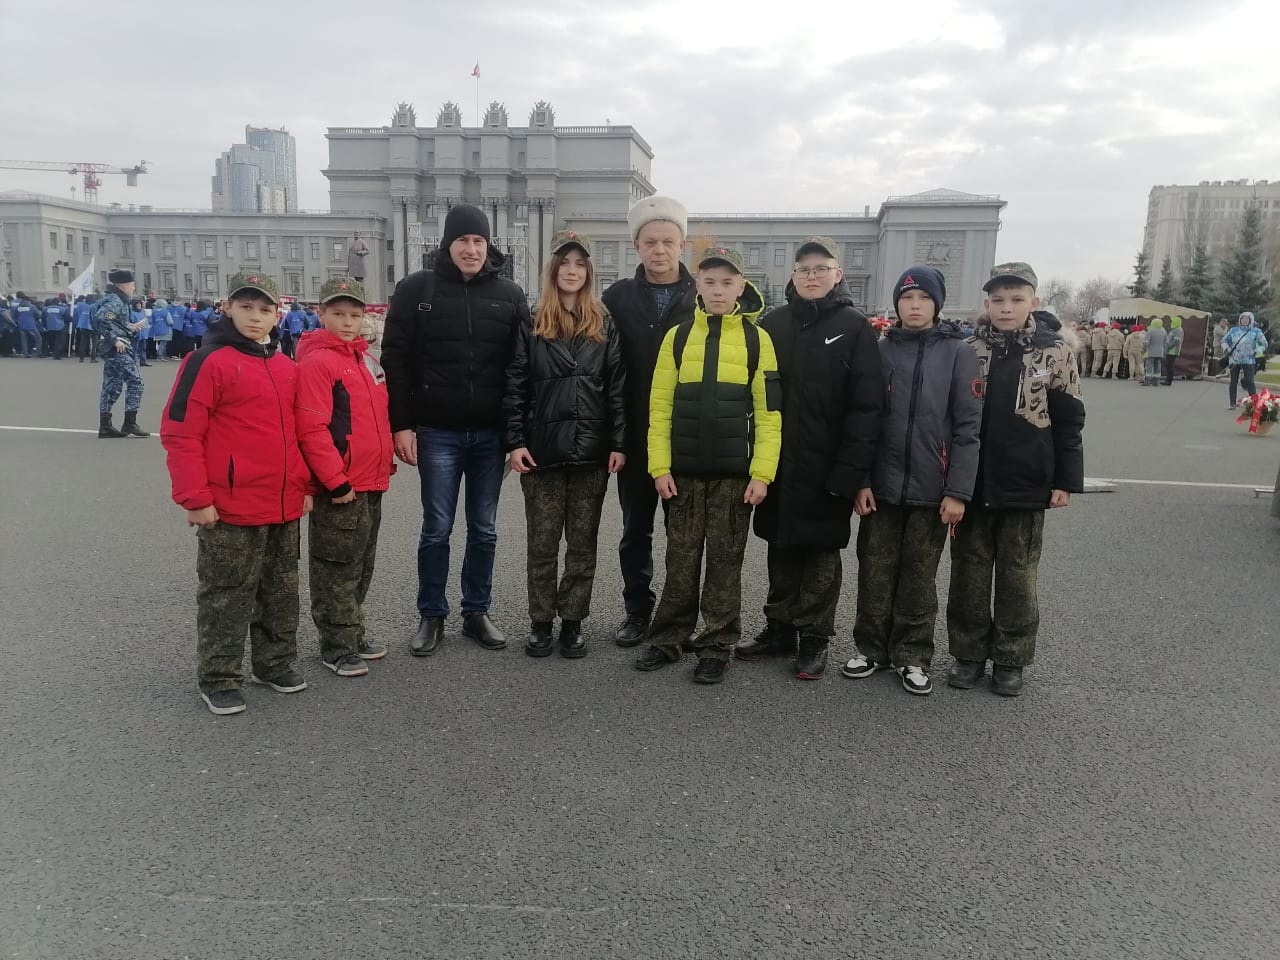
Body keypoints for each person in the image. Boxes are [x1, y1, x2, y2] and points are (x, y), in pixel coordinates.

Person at [160, 272, 313, 715]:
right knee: (226, 593)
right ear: (227, 308)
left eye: (265, 309)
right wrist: (195, 497)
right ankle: (219, 676)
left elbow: (298, 435)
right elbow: (181, 432)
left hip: (282, 501)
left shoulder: (286, 367)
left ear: (278, 315)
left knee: (281, 590)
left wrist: (304, 485)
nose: (255, 317)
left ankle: (274, 662)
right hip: (229, 504)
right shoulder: (206, 361)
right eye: (246, 307)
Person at [381, 204, 530, 657]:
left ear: (488, 246)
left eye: (478, 241)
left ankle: (476, 611)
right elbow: (396, 359)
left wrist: (515, 435)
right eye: (462, 240)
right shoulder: (416, 289)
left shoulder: (509, 294)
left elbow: (520, 368)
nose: (471, 249)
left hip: (489, 434)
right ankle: (431, 614)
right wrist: (402, 424)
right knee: (437, 527)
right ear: (448, 244)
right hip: (437, 431)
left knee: (484, 529)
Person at [633, 246, 781, 685]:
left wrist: (762, 474)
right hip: (682, 475)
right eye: (710, 281)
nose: (718, 290)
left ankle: (716, 644)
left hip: (734, 479)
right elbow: (659, 408)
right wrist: (659, 467)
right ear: (698, 284)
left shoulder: (758, 341)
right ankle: (668, 637)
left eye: (727, 282)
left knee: (724, 563)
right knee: (680, 561)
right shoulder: (677, 338)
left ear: (741, 286)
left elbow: (770, 414)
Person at [739, 237, 883, 681]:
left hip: (829, 465)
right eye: (804, 270)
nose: (812, 276)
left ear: (837, 274)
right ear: (793, 276)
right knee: (781, 548)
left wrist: (852, 473)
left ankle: (815, 637)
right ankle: (779, 628)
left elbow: (867, 407)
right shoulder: (773, 324)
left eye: (821, 269)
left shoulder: (855, 327)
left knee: (821, 555)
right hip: (779, 463)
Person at [840, 266, 981, 696]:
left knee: (919, 579)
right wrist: (862, 480)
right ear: (896, 305)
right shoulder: (880, 350)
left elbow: (968, 427)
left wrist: (957, 491)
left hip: (932, 489)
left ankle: (913, 655)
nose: (914, 305)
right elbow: (863, 420)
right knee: (874, 571)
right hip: (881, 488)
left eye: (923, 298)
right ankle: (871, 649)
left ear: (937, 304)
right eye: (906, 298)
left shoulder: (958, 353)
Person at [946, 262, 1085, 697]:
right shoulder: (967, 350)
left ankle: (1011, 658)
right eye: (998, 300)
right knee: (968, 575)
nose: (1006, 307)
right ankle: (968, 654)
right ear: (987, 303)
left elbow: (1069, 421)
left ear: (1034, 302)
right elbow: (951, 418)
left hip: (1027, 482)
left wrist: (1065, 480)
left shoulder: (1055, 353)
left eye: (1016, 299)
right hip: (973, 483)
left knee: (1018, 578)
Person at [504, 231, 627, 659]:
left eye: (579, 263)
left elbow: (617, 387)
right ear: (552, 269)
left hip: (592, 453)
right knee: (542, 544)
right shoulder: (533, 320)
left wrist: (618, 442)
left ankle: (573, 621)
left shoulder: (604, 322)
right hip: (543, 453)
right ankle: (541, 621)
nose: (571, 271)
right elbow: (515, 385)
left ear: (588, 271)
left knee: (582, 545)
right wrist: (515, 441)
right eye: (564, 262)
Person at [601, 196, 699, 648]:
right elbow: (603, 369)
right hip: (636, 437)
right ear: (636, 246)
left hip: (688, 438)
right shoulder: (617, 298)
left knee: (684, 536)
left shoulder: (702, 297)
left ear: (682, 245)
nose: (659, 250)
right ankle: (637, 611)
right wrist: (613, 436)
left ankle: (678, 618)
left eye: (668, 242)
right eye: (650, 242)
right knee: (635, 530)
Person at [295, 277, 393, 677]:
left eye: (355, 314)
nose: (348, 322)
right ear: (321, 314)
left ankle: (352, 629)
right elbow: (312, 428)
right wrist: (335, 480)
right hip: (342, 485)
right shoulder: (318, 362)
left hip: (370, 481)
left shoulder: (367, 361)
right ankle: (336, 644)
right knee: (335, 566)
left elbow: (378, 418)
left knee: (361, 562)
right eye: (338, 314)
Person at [93, 270, 149, 438]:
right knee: (136, 382)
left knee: (112, 385)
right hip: (117, 348)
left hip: (112, 347)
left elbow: (114, 322)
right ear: (123, 285)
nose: (133, 288)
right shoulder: (116, 300)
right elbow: (101, 319)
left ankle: (105, 426)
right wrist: (114, 339)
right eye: (132, 284)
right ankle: (130, 423)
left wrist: (130, 327)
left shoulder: (114, 299)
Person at [1222, 312, 1269, 409]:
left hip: (1249, 360)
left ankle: (1254, 403)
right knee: (1233, 381)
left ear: (1250, 320)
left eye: (1247, 319)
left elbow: (1264, 344)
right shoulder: (1234, 330)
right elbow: (1224, 341)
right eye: (1242, 318)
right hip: (1235, 360)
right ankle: (1232, 403)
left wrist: (1256, 351)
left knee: (1250, 381)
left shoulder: (1256, 331)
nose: (1244, 320)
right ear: (1240, 320)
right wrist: (1227, 348)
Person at [13, 293, 42, 358]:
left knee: (24, 341)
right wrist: (34, 319)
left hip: (21, 325)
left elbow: (14, 316)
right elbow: (38, 315)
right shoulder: (32, 307)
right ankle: (36, 352)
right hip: (31, 325)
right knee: (38, 339)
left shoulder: (18, 308)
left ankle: (25, 354)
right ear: (28, 300)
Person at [73, 296, 98, 362]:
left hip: (83, 325)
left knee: (83, 342)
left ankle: (81, 358)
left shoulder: (80, 305)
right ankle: (93, 359)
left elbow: (78, 313)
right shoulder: (95, 306)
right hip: (93, 326)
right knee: (94, 343)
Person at [1144, 318, 1167, 386]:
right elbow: (1165, 342)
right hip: (1160, 351)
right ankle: (1156, 381)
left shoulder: (1150, 330)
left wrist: (1144, 349)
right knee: (1157, 365)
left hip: (1151, 351)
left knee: (1149, 366)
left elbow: (1146, 342)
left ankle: (1147, 381)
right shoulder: (1164, 331)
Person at [1163, 316, 1183, 385]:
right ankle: (1167, 380)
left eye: (1172, 321)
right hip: (1170, 350)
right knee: (1168, 365)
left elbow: (1176, 341)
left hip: (1173, 351)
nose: (1171, 322)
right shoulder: (1174, 329)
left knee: (1169, 365)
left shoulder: (1178, 330)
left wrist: (1169, 346)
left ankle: (1169, 381)